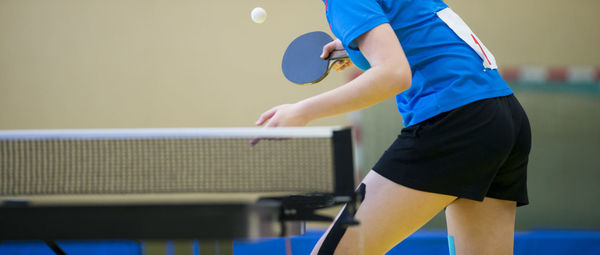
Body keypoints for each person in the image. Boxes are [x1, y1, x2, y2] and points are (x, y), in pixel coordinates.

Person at [255, 0, 531, 254]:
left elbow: (393, 74)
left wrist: (302, 112)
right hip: (502, 118)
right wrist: (354, 46)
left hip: (454, 121)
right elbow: (417, 30)